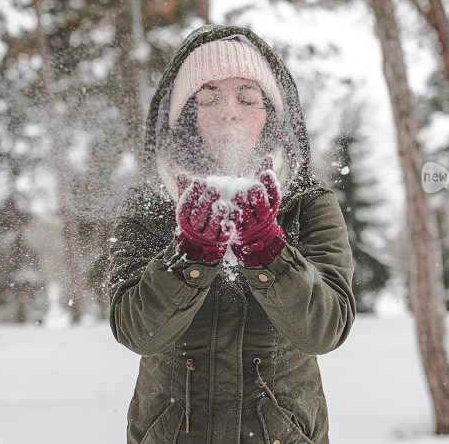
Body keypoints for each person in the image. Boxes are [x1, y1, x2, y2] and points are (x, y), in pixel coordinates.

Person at [107, 23, 355, 443]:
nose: (229, 111)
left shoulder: (308, 203)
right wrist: (191, 255)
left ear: (272, 115)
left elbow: (325, 330)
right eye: (208, 97)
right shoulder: (150, 205)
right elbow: (136, 331)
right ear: (186, 115)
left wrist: (267, 251)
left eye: (247, 97)